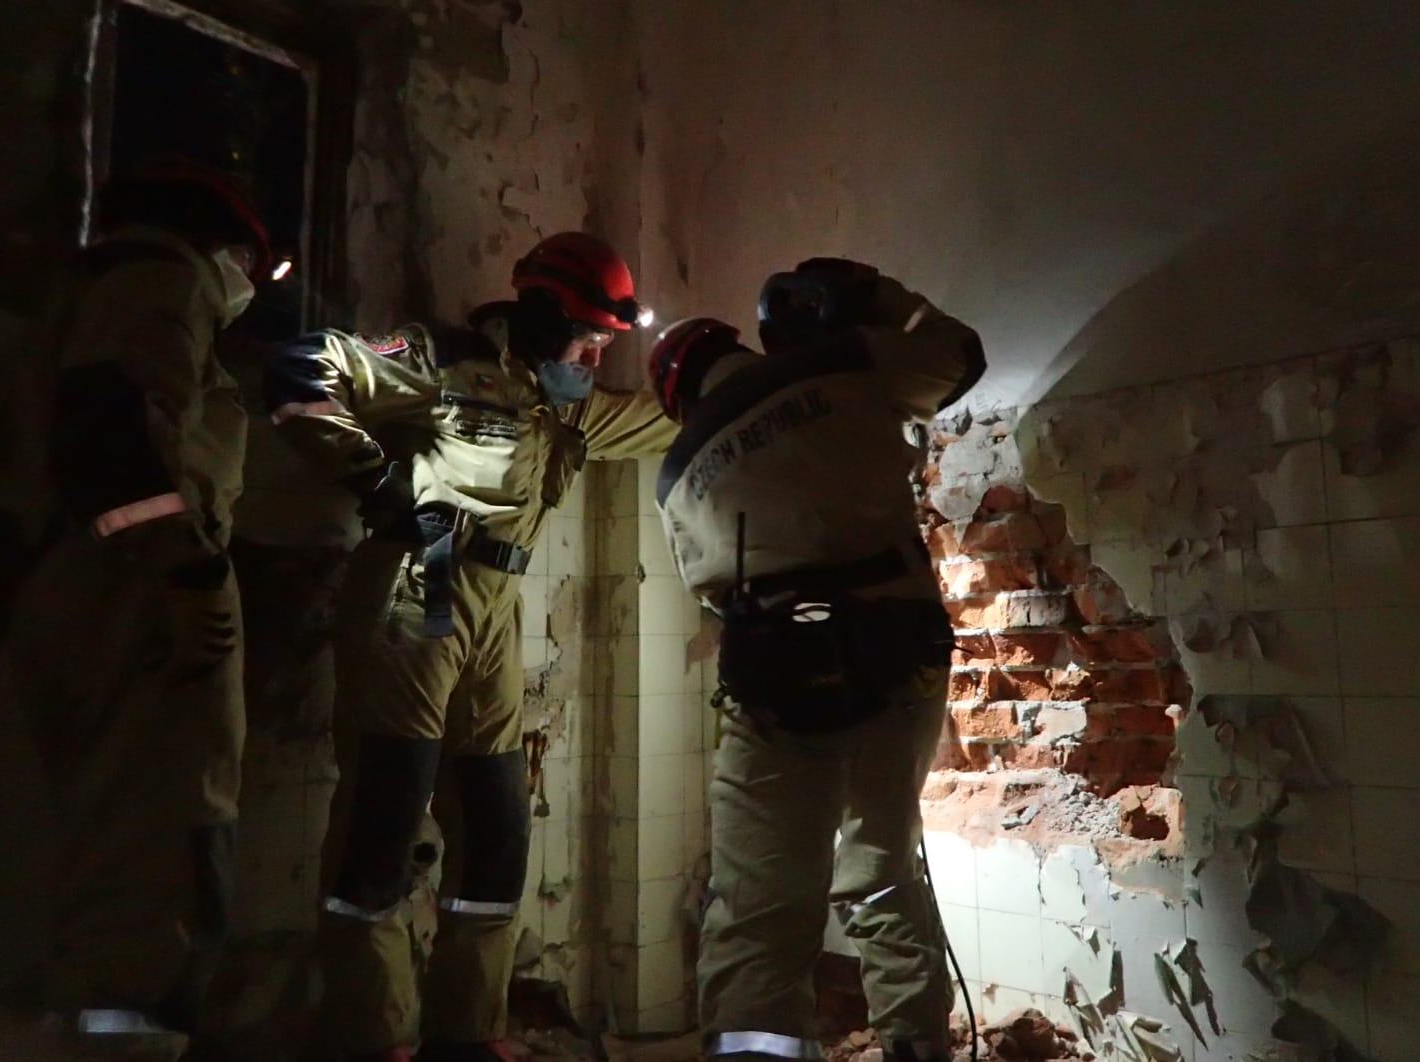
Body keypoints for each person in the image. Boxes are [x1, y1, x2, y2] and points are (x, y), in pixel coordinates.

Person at [262, 232, 677, 1062]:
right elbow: (305, 368)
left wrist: (743, 385)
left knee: (496, 825)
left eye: (604, 344)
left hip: (498, 608)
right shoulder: (438, 359)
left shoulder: (568, 405)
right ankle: (369, 1034)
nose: (595, 358)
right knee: (386, 817)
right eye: (587, 339)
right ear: (543, 314)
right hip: (423, 585)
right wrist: (377, 481)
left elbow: (669, 419)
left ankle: (468, 1031)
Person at [647, 258, 986, 1062]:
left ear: (677, 396)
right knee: (885, 867)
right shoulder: (842, 365)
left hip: (782, 689)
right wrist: (878, 299)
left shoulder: (676, 473)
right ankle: (917, 1048)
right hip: (899, 661)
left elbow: (712, 596)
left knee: (759, 911)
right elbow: (959, 356)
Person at [6, 156, 271, 1059]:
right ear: (222, 248)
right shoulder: (164, 282)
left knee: (117, 848)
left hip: (98, 589)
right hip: (144, 604)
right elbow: (112, 435)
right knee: (161, 855)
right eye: (250, 266)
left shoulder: (88, 293)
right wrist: (183, 572)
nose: (248, 285)